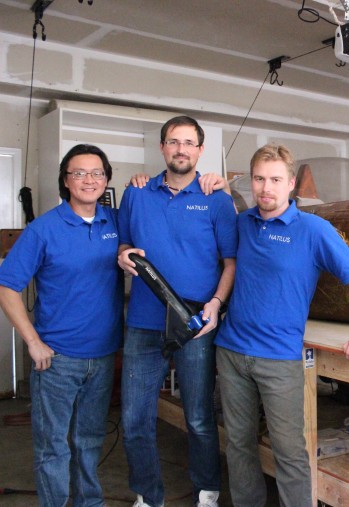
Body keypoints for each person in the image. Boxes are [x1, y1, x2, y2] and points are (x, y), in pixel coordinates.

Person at [215, 143, 349, 507]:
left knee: (290, 452)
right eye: (258, 179)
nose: (265, 188)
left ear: (291, 184)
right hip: (231, 352)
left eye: (274, 179)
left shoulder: (314, 230)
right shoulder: (242, 223)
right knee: (238, 444)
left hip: (279, 359)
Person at [116, 115, 238, 507]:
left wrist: (215, 307)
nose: (181, 149)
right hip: (144, 323)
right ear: (162, 148)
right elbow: (122, 245)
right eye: (173, 141)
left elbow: (230, 262)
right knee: (135, 420)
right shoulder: (136, 193)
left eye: (189, 142)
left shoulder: (217, 198)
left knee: (199, 418)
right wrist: (122, 256)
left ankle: (207, 490)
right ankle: (147, 495)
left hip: (195, 325)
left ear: (200, 150)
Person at [0, 144, 122, 507]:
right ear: (66, 181)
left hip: (102, 357)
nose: (89, 180)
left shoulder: (115, 222)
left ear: (106, 179)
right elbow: (7, 288)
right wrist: (33, 342)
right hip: (56, 361)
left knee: (89, 441)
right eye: (79, 173)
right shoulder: (43, 230)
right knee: (53, 446)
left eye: (97, 173)